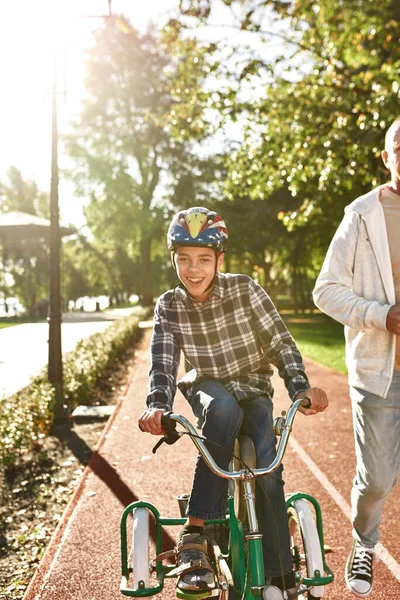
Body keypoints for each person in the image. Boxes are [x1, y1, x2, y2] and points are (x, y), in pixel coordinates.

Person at [139, 206, 329, 597]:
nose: (194, 269)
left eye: (204, 260)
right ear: (173, 259)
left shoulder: (245, 289)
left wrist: (300, 388)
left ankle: (279, 575)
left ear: (220, 259)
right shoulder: (169, 306)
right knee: (222, 409)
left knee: (266, 463)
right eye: (184, 259)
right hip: (208, 385)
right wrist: (158, 404)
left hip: (254, 388)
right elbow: (163, 363)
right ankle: (194, 536)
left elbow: (280, 342)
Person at [313, 116, 400, 598]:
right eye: (399, 147)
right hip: (379, 374)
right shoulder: (361, 215)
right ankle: (364, 542)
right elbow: (325, 291)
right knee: (378, 481)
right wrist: (381, 315)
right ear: (386, 157)